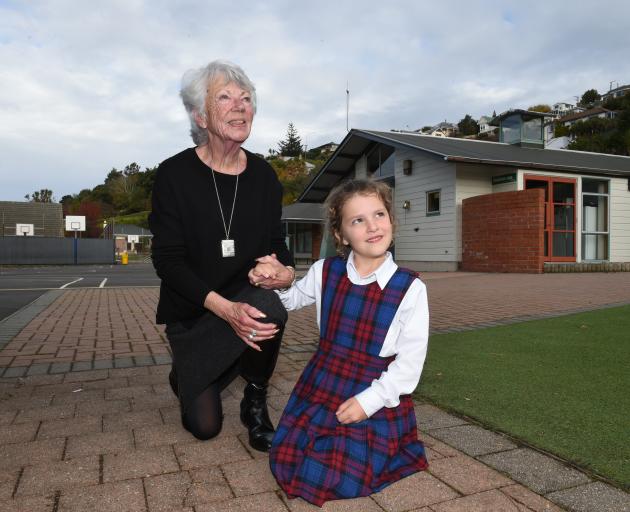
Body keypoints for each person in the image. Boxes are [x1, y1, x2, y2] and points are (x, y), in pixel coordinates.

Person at [149, 60, 295, 452]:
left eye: (246, 99)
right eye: (225, 97)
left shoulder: (264, 176)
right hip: (197, 313)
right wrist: (225, 309)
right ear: (200, 114)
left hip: (246, 305)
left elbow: (277, 246)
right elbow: (168, 261)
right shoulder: (173, 175)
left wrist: (286, 272)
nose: (240, 106)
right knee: (205, 427)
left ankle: (256, 398)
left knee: (270, 307)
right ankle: (189, 371)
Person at [261, 179, 429, 506]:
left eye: (379, 214)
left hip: (373, 390)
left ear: (391, 219)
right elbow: (292, 299)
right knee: (289, 456)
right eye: (358, 220)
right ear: (340, 235)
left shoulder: (410, 288)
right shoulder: (326, 270)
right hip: (323, 381)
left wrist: (368, 402)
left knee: (336, 474)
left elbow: (408, 367)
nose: (373, 226)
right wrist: (273, 279)